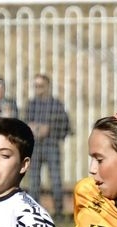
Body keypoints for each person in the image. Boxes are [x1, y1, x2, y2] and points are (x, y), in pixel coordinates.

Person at [25, 74, 70, 218]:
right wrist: (31, 128)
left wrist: (49, 128)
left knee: (56, 180)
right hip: (35, 147)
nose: (38, 89)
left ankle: (58, 210)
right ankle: (34, 210)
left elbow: (66, 125)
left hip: (51, 145)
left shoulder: (56, 105)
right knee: (34, 181)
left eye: (41, 86)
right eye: (36, 86)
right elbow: (24, 123)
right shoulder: (31, 105)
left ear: (47, 86)